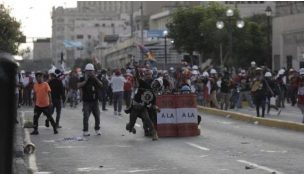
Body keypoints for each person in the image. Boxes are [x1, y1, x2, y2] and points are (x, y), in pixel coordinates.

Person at [125, 67, 158, 141]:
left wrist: (154, 105)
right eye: (146, 74)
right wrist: (137, 70)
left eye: (149, 74)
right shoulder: (142, 82)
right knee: (130, 125)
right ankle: (130, 127)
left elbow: (153, 97)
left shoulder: (153, 84)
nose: (148, 76)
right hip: (135, 107)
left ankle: (154, 134)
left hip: (143, 107)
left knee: (147, 119)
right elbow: (137, 77)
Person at [77, 63, 103, 136]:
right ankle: (85, 130)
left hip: (95, 101)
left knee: (97, 116)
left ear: (94, 71)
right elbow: (78, 85)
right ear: (85, 71)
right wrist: (85, 81)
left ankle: (97, 129)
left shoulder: (96, 78)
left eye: (91, 71)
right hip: (86, 101)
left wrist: (95, 78)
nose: (90, 72)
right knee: (86, 116)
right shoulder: (82, 78)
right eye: (88, 71)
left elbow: (101, 85)